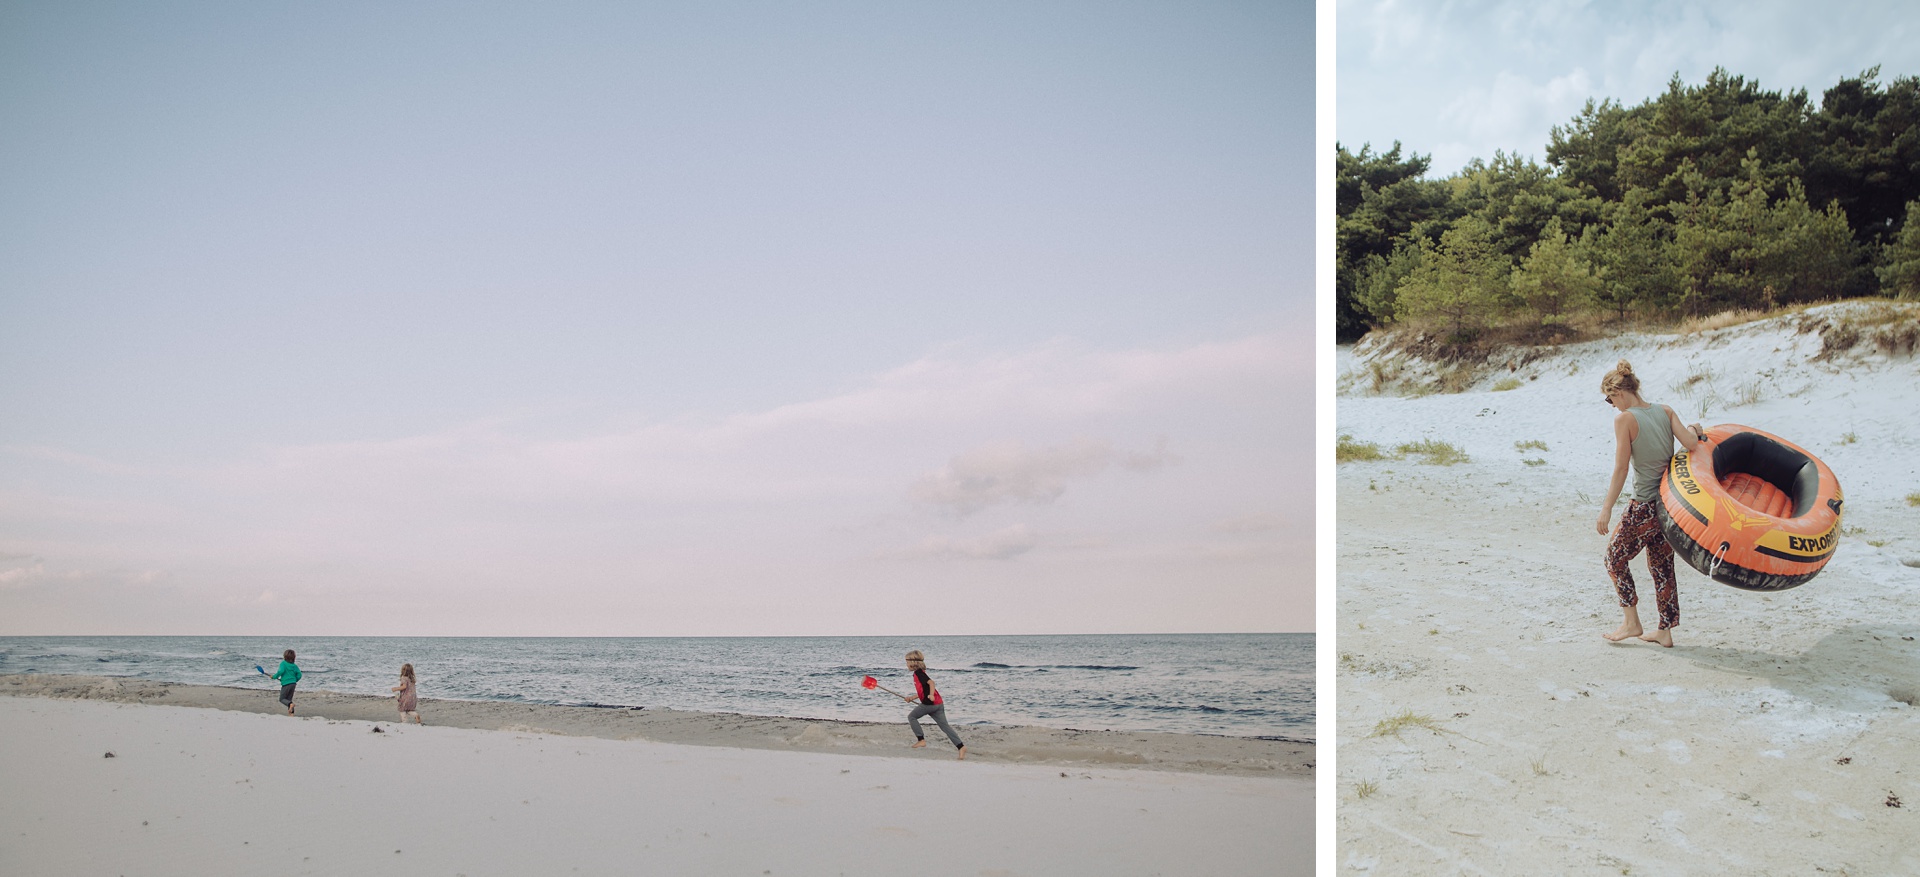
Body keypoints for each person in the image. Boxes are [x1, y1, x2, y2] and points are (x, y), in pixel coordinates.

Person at [1595, 360, 1703, 648]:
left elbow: (1621, 469)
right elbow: (1691, 443)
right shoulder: (1665, 411)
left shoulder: (1625, 420)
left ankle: (1631, 622)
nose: (1611, 405)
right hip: (1668, 505)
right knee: (1662, 565)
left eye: (1609, 398)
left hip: (1643, 505)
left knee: (1614, 559)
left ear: (1618, 391)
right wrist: (1693, 426)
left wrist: (1606, 507)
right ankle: (1665, 631)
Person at [903, 650, 966, 759]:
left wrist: (931, 695)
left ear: (913, 662)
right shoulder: (921, 672)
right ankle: (961, 747)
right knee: (945, 727)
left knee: (912, 717)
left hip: (929, 704)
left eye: (907, 662)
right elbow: (924, 690)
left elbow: (931, 683)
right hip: (938, 704)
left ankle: (921, 740)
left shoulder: (918, 673)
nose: (906, 664)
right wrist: (912, 697)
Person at [269, 649, 302, 714]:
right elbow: (299, 674)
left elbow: (281, 671)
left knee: (282, 699)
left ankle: (291, 706)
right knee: (289, 699)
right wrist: (295, 680)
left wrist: (274, 677)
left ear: (285, 656)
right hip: (293, 684)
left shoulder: (283, 663)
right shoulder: (294, 666)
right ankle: (291, 714)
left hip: (286, 684)